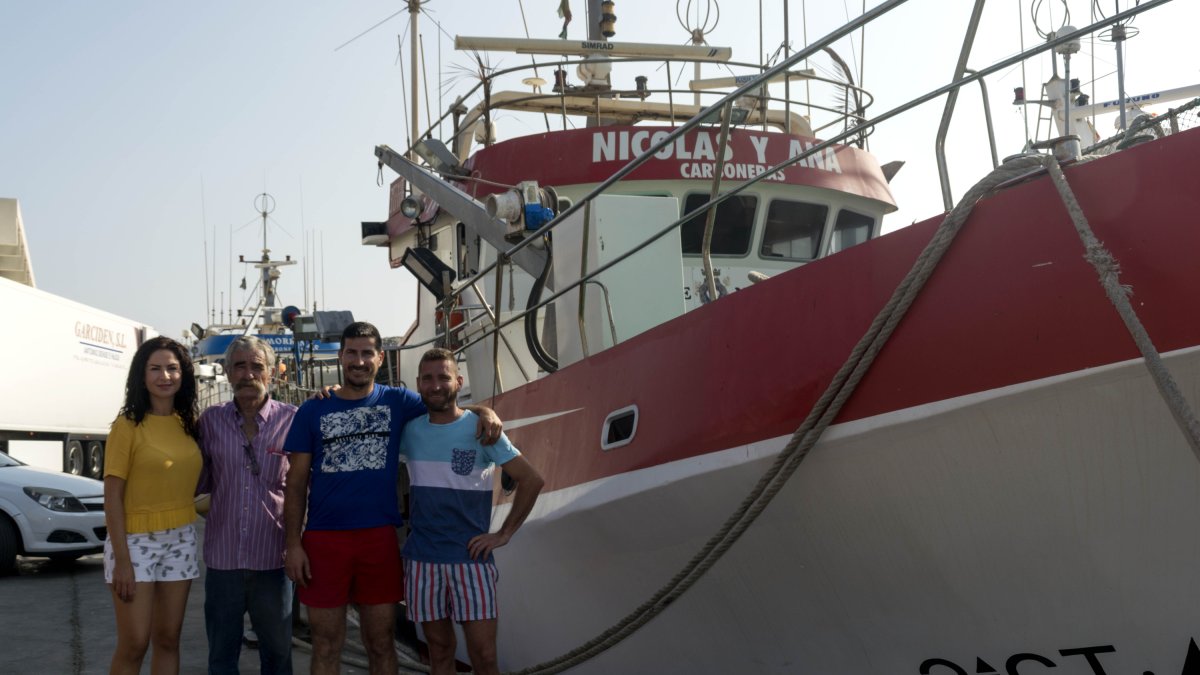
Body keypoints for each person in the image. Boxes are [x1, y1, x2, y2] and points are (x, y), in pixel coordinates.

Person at [283, 321, 502, 675]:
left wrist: (484, 412)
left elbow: (444, 403)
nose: (358, 361)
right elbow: (294, 483)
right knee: (325, 644)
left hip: (378, 539)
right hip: (324, 540)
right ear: (341, 356)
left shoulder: (398, 401)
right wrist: (293, 543)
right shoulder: (313, 410)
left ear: (379, 358)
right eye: (351, 352)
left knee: (381, 642)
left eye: (366, 353)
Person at [401, 348, 544, 675]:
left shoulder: (482, 430)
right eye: (427, 378)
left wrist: (503, 534)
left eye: (443, 377)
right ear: (418, 384)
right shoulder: (408, 432)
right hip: (423, 559)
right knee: (438, 652)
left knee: (484, 657)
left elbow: (532, 480)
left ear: (458, 381)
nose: (435, 385)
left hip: (471, 561)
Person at [103, 336, 204, 675]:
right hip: (135, 542)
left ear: (183, 374)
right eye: (156, 368)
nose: (165, 376)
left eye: (172, 368)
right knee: (134, 644)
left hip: (181, 539)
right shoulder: (127, 425)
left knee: (168, 639)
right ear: (141, 375)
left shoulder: (188, 422)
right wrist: (122, 562)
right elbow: (113, 495)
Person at [196, 336, 295, 675]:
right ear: (227, 373)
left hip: (274, 560)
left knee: (278, 654)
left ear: (273, 374)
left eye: (257, 367)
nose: (248, 374)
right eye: (240, 366)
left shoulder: (293, 421)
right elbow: (194, 479)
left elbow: (305, 489)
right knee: (221, 656)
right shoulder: (209, 422)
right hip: (224, 561)